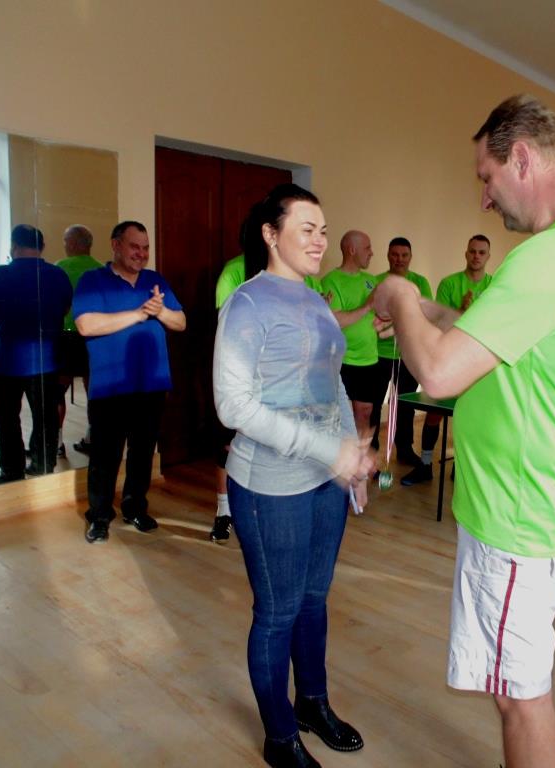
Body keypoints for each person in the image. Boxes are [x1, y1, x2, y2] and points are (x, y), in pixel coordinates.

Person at [371, 94, 555, 768]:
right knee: (515, 686)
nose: (484, 198)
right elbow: (493, 337)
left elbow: (439, 374)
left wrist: (398, 294)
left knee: (520, 697)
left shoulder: (553, 255)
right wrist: (430, 310)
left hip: (517, 516)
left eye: (486, 177)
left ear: (521, 158)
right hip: (529, 504)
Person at [214, 184, 373, 768]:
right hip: (269, 485)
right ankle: (280, 737)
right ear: (270, 234)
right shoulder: (248, 304)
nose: (319, 240)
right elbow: (233, 406)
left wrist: (350, 454)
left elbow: (333, 383)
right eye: (307, 229)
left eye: (323, 230)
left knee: (313, 600)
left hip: (326, 479)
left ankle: (312, 703)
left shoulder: (314, 299)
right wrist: (328, 449)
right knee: (278, 611)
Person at [74, 221, 186, 543]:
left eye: (145, 247)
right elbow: (86, 325)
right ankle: (99, 516)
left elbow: (180, 322)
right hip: (110, 386)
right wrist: (138, 314)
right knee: (104, 457)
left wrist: (160, 311)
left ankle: (135, 507)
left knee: (142, 454)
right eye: (135, 246)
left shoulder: (155, 281)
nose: (141, 253)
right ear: (116, 245)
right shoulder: (92, 280)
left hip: (152, 385)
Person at [210, 233, 323, 543]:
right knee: (228, 446)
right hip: (246, 377)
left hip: (288, 380)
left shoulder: (297, 273)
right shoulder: (234, 272)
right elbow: (231, 326)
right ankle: (224, 511)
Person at [0, 225, 72, 484]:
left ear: (14, 246)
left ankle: (11, 470)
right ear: (42, 247)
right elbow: (65, 308)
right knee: (46, 417)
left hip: (7, 361)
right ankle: (43, 466)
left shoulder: (0, 274)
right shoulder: (57, 275)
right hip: (46, 360)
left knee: (7, 417)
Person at [401, 235, 493, 486]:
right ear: (466, 253)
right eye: (472, 251)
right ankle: (425, 465)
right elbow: (439, 325)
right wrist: (462, 311)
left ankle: (461, 466)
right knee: (434, 414)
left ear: (488, 256)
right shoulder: (449, 284)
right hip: (450, 361)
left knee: (472, 419)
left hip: (480, 365)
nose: (476, 256)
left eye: (481, 252)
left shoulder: (494, 286)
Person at [371, 237, 432, 467]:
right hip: (379, 354)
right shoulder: (376, 281)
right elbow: (371, 315)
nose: (399, 259)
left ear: (410, 257)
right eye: (395, 254)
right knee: (374, 404)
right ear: (388, 255)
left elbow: (426, 313)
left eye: (404, 255)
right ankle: (371, 453)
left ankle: (404, 449)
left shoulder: (420, 282)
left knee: (405, 405)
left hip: (408, 355)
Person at [321, 231, 379, 444]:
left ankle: (360, 459)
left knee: (365, 413)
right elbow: (336, 320)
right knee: (339, 417)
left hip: (369, 359)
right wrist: (368, 305)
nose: (372, 253)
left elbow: (382, 314)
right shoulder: (331, 280)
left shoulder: (371, 280)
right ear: (352, 250)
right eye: (367, 248)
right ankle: (341, 460)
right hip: (342, 360)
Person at [55, 225, 103, 457]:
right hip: (95, 336)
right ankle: (92, 437)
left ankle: (56, 443)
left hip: (66, 334)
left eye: (66, 241)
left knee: (58, 389)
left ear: (73, 243)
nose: (64, 245)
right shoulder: (101, 270)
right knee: (93, 388)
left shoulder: (60, 268)